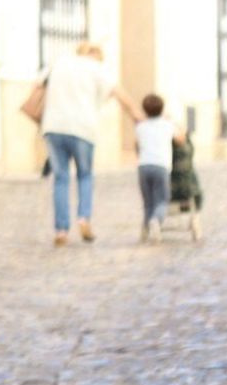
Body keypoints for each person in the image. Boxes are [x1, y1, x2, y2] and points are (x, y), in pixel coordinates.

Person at [40, 40, 143, 245]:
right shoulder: (96, 68)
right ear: (96, 56)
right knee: (85, 175)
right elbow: (120, 94)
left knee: (61, 178)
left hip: (53, 126)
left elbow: (38, 88)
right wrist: (138, 118)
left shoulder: (60, 63)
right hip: (82, 128)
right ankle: (83, 218)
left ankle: (61, 231)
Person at [135, 92, 185, 243]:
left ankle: (145, 230)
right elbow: (180, 140)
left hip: (143, 166)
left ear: (144, 110)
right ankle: (156, 221)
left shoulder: (140, 126)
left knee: (148, 202)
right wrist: (175, 123)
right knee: (162, 200)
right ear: (162, 109)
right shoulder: (167, 125)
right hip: (161, 166)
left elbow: (136, 146)